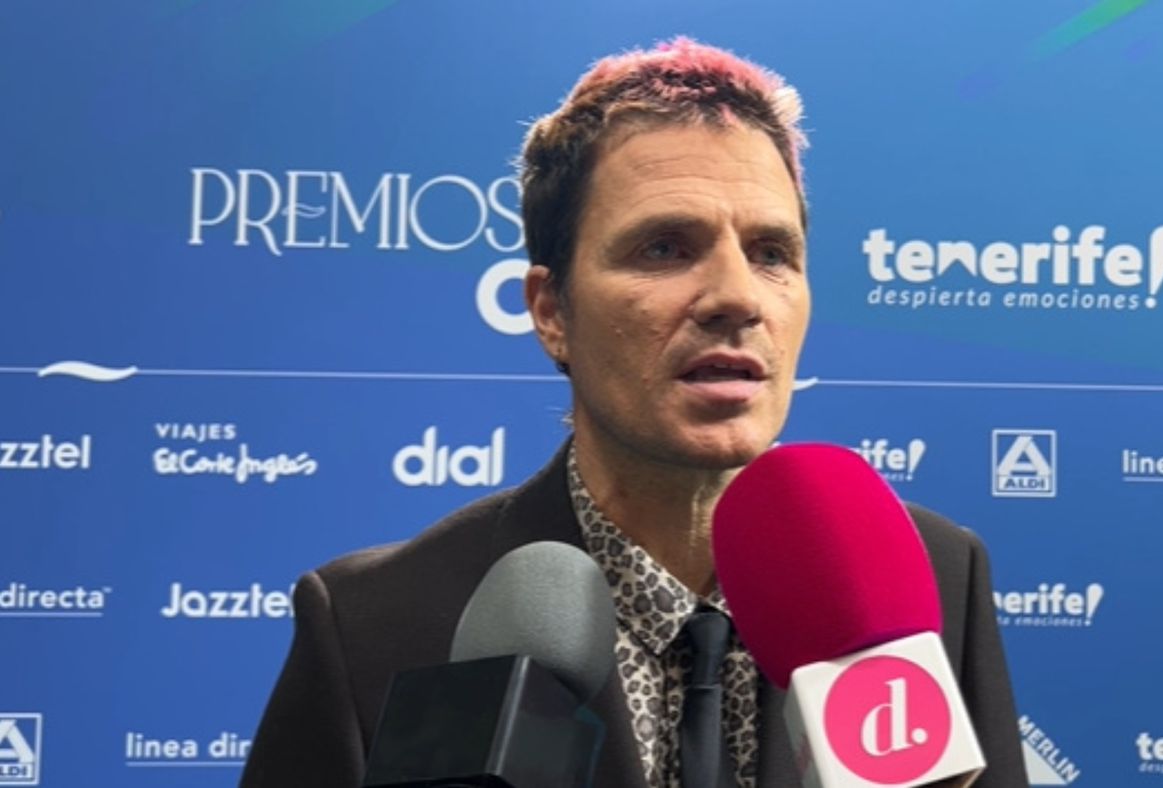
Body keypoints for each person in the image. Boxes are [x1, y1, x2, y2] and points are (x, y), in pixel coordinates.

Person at [241, 38, 1028, 788]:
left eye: (771, 253)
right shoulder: (378, 623)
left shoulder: (930, 578)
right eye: (665, 248)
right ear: (551, 311)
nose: (736, 297)